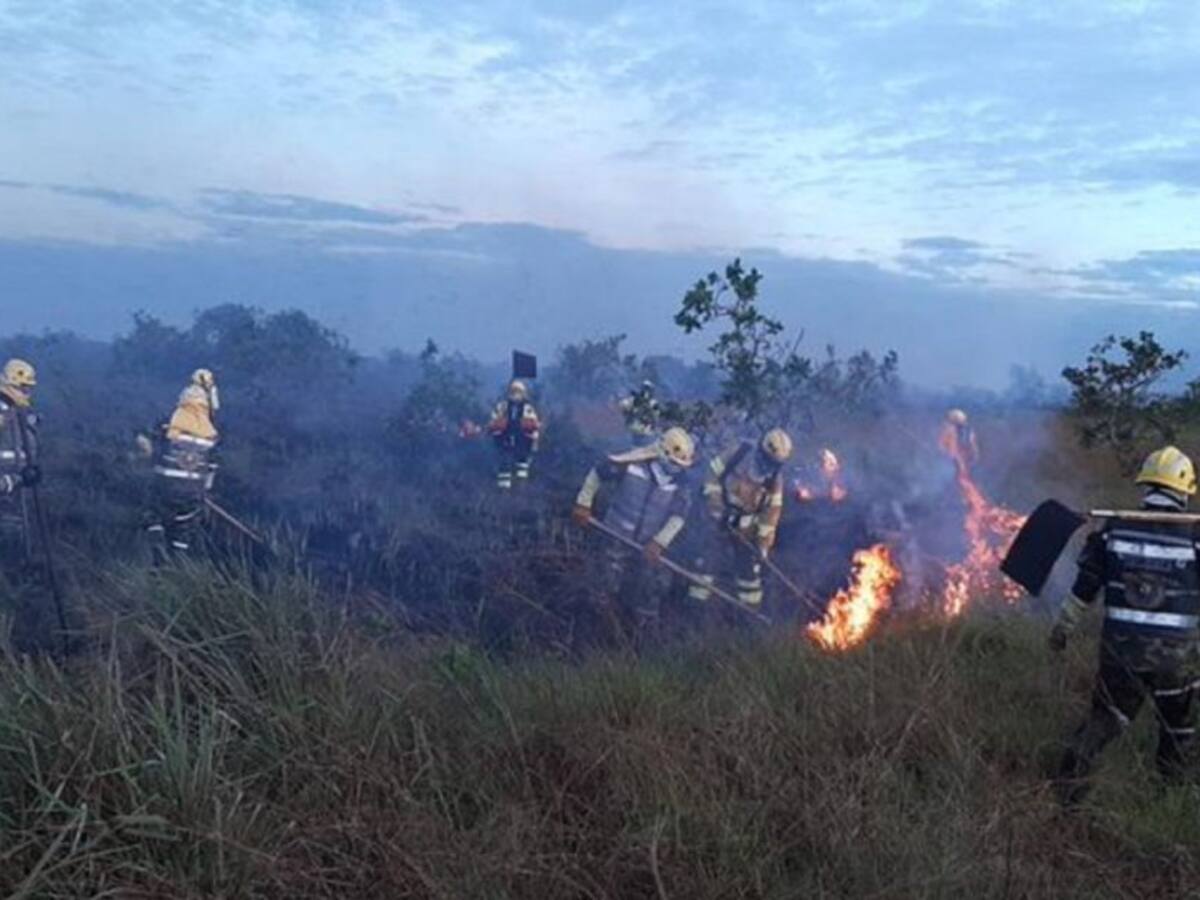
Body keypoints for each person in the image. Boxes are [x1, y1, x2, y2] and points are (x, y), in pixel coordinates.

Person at [1051, 445, 1200, 805]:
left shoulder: (1112, 530)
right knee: (1179, 730)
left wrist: (1063, 627)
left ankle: (1067, 794)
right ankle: (1170, 797)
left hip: (1121, 655)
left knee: (1105, 720)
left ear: (1146, 486)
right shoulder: (1195, 537)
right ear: (1183, 490)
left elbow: (1084, 588)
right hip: (1177, 661)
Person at [572, 427, 696, 624]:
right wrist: (583, 503)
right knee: (603, 588)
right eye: (673, 462)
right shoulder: (632, 465)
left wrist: (659, 542)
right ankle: (597, 630)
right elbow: (597, 473)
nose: (676, 468)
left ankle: (640, 636)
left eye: (680, 465)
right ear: (662, 453)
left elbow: (679, 516)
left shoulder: (681, 484)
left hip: (647, 547)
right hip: (615, 536)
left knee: (649, 592)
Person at [691, 428, 793, 608]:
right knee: (707, 565)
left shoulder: (775, 479)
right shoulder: (738, 453)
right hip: (718, 521)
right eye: (768, 461)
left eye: (775, 464)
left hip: (745, 531)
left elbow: (771, 515)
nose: (769, 466)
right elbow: (711, 474)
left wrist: (763, 546)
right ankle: (695, 609)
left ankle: (749, 614)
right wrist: (716, 506)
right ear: (761, 451)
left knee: (749, 576)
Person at [144, 369, 220, 563]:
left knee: (153, 513)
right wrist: (204, 491)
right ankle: (177, 562)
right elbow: (211, 470)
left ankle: (157, 548)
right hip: (192, 494)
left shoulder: (168, 423)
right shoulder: (211, 434)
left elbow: (150, 448)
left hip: (165, 489)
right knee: (184, 528)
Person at [0, 359, 42, 570]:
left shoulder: (20, 416)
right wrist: (13, 480)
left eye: (29, 388)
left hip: (18, 502)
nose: (27, 393)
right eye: (23, 388)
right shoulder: (2, 414)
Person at [487, 379, 540, 489]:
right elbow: (493, 422)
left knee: (522, 466)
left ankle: (521, 487)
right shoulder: (502, 406)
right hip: (504, 440)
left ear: (523, 393)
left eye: (519, 391)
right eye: (514, 391)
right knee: (504, 464)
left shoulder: (528, 408)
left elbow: (534, 425)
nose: (516, 394)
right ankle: (503, 490)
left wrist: (534, 442)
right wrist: (497, 429)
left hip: (523, 441)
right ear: (509, 392)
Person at [618, 380, 662, 445]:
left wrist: (649, 411)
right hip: (633, 426)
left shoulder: (653, 403)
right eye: (645, 388)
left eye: (648, 389)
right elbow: (623, 405)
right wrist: (634, 406)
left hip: (645, 428)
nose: (646, 392)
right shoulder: (634, 399)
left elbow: (656, 416)